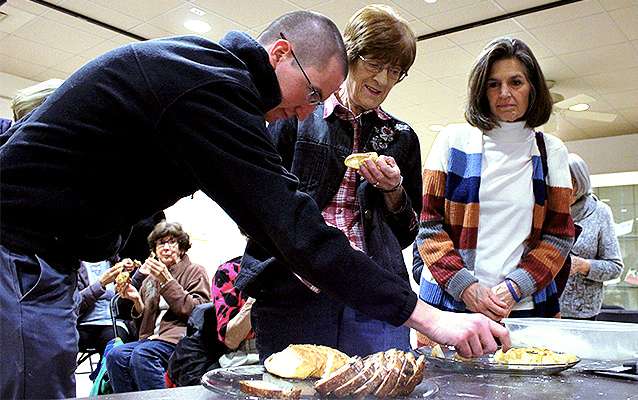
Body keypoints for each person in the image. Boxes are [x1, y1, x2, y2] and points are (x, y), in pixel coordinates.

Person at [0, 11, 507, 399]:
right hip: (20, 258)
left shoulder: (198, 70)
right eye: (311, 94)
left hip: (41, 262)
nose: (308, 111)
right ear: (280, 53)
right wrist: (432, 318)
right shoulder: (212, 89)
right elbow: (288, 223)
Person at [239, 4, 421, 358]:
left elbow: (407, 234)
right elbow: (256, 209)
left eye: (395, 71)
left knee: (379, 390)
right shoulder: (294, 113)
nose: (382, 80)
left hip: (372, 294)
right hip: (294, 291)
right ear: (350, 54)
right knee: (293, 390)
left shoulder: (401, 138)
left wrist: (393, 192)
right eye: (373, 63)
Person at [415, 37, 575, 322]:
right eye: (493, 84)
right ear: (482, 91)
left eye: (516, 82)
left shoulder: (552, 152)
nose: (504, 93)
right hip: (450, 308)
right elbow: (428, 228)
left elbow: (558, 236)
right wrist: (467, 288)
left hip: (524, 311)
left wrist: (514, 289)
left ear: (532, 88)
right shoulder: (453, 142)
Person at [105, 221, 210, 393]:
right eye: (161, 243)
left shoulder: (195, 271)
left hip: (179, 339)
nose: (166, 247)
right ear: (154, 251)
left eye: (172, 242)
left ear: (182, 248)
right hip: (151, 340)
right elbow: (141, 329)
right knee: (115, 355)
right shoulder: (149, 280)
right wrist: (137, 302)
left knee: (143, 355)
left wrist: (168, 281)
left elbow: (197, 313)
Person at [559, 154, 624, 320]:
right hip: (545, 307)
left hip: (582, 313)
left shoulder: (600, 212)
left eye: (568, 181)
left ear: (578, 183)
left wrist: (584, 266)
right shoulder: (548, 210)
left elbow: (615, 267)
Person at [77, 258, 134, 357]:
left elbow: (132, 295)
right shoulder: (75, 266)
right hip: (82, 324)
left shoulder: (115, 262)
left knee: (116, 345)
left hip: (113, 323)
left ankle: (104, 371)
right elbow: (75, 304)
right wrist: (101, 284)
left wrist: (134, 274)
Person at [213, 256, 259, 366]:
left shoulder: (298, 267)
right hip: (247, 357)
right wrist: (258, 290)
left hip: (293, 353)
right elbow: (231, 341)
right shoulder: (228, 271)